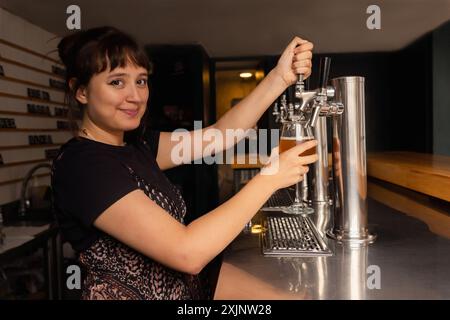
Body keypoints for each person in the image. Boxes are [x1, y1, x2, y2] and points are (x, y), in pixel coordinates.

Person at [51, 26, 317, 300]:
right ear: (80, 91)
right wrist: (270, 178)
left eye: (141, 81)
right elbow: (187, 252)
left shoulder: (138, 147)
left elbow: (219, 136)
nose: (135, 96)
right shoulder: (82, 166)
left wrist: (279, 78)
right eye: (117, 82)